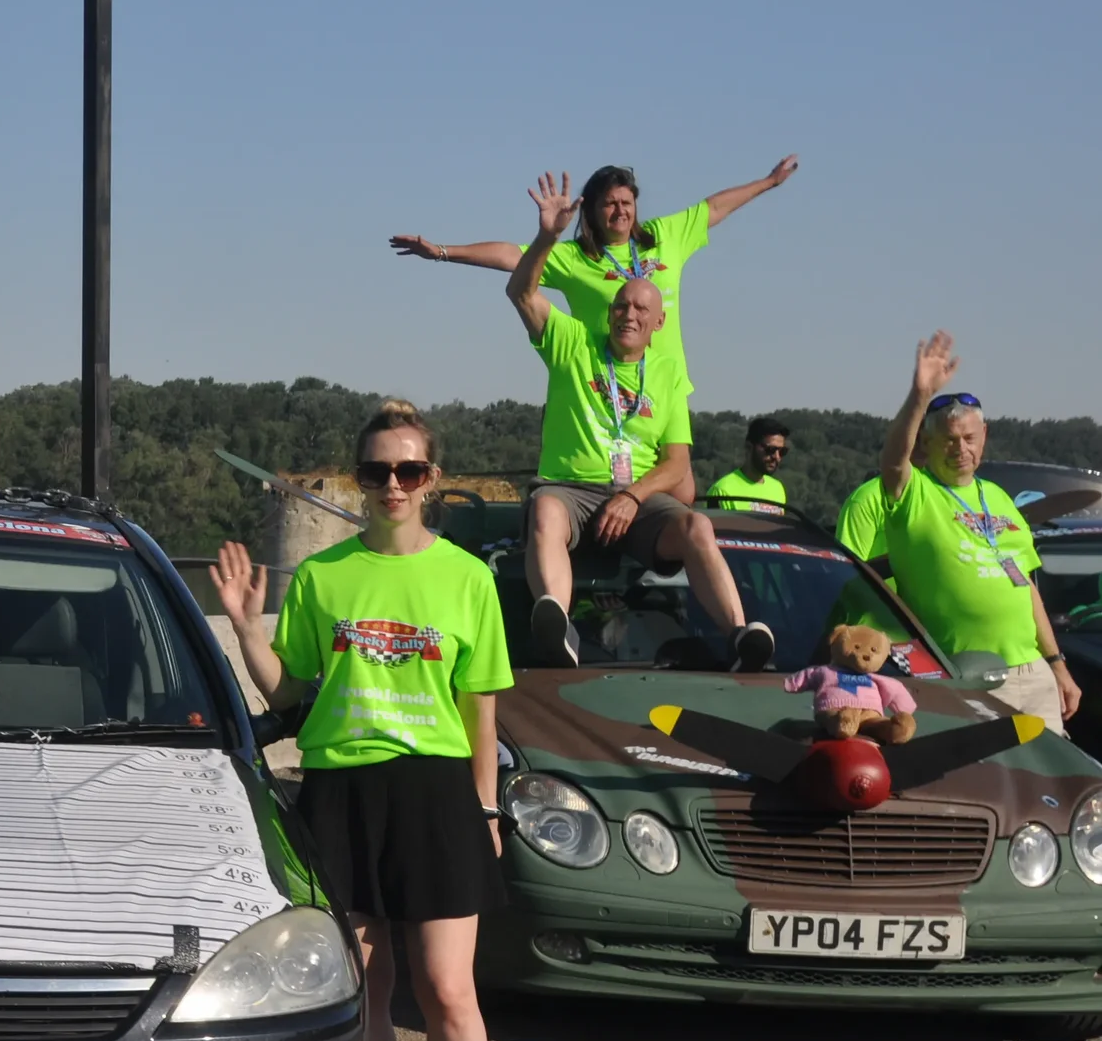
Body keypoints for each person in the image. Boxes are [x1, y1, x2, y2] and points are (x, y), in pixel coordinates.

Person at [212, 400, 512, 1041]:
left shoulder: (467, 577)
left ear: (431, 480)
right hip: (344, 791)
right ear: (361, 476)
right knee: (366, 989)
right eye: (377, 470)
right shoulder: (322, 578)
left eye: (408, 470)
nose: (391, 484)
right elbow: (295, 700)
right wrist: (246, 628)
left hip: (438, 789)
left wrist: (486, 808)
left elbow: (480, 709)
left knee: (449, 990)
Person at [507, 172, 773, 672]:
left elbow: (677, 464)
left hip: (639, 500)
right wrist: (547, 237)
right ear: (608, 314)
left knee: (696, 524)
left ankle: (740, 637)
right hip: (571, 490)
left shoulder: (669, 374)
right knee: (544, 510)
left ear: (658, 323)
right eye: (621, 305)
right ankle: (557, 627)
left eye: (640, 309)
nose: (628, 314)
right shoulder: (572, 343)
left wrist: (632, 497)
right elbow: (521, 291)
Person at [391, 155, 799, 360]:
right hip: (605, 392)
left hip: (668, 387)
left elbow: (715, 207)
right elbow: (509, 256)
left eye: (627, 201)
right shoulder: (573, 257)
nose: (620, 210)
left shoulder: (664, 236)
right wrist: (442, 251)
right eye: (609, 203)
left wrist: (769, 182)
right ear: (591, 212)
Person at [876, 334, 1082, 733]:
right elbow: (893, 461)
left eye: (969, 438)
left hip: (1032, 673)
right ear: (927, 444)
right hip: (963, 674)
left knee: (1049, 786)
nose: (961, 449)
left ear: (983, 436)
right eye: (949, 441)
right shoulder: (915, 492)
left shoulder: (999, 499)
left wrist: (1057, 665)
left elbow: (1025, 586)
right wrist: (919, 396)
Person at [711, 417, 791, 507]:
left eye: (782, 452)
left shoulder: (777, 489)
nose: (777, 457)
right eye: (771, 450)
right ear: (749, 447)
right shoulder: (722, 491)